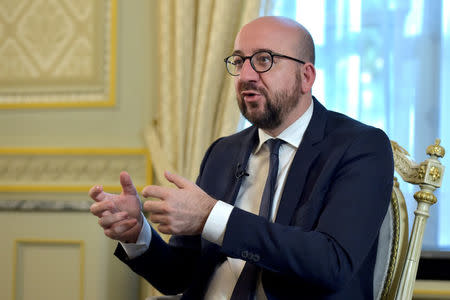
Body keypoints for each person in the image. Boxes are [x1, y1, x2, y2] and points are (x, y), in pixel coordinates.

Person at [89, 16, 394, 300]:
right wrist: (138, 234)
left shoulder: (360, 147)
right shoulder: (222, 152)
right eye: (239, 61)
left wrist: (213, 216)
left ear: (306, 76)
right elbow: (178, 276)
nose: (246, 75)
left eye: (264, 60)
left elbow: (332, 264)